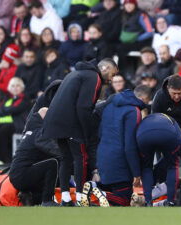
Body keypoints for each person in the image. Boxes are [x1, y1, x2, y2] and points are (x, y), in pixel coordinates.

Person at [42, 58, 118, 206]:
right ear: (104, 69)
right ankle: (80, 197)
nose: (112, 78)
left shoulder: (75, 73)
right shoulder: (94, 77)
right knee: (81, 158)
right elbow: (84, 107)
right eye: (113, 74)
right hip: (71, 122)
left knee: (66, 158)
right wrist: (87, 131)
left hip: (55, 122)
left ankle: (65, 198)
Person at [89, 86, 150, 207]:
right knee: (125, 201)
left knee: (110, 202)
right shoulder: (133, 111)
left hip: (103, 156)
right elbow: (130, 145)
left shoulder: (109, 105)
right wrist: (136, 173)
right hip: (119, 161)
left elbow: (100, 133)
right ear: (144, 98)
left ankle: (95, 188)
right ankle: (100, 193)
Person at [9, 107, 61, 207]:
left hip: (18, 175)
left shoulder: (31, 130)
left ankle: (30, 196)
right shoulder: (39, 132)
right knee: (53, 163)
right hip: (22, 175)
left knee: (54, 177)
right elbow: (53, 150)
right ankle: (47, 201)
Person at [136, 113, 181, 206]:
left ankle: (148, 202)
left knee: (146, 168)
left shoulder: (144, 121)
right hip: (167, 133)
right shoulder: (170, 119)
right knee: (172, 166)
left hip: (144, 135)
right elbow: (178, 138)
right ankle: (170, 201)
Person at [0, 77, 30, 164]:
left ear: (22, 87)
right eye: (13, 86)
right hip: (2, 123)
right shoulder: (6, 98)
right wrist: (7, 110)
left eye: (17, 86)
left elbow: (15, 109)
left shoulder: (24, 98)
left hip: (17, 125)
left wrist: (5, 109)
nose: (15, 88)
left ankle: (5, 159)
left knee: (2, 131)